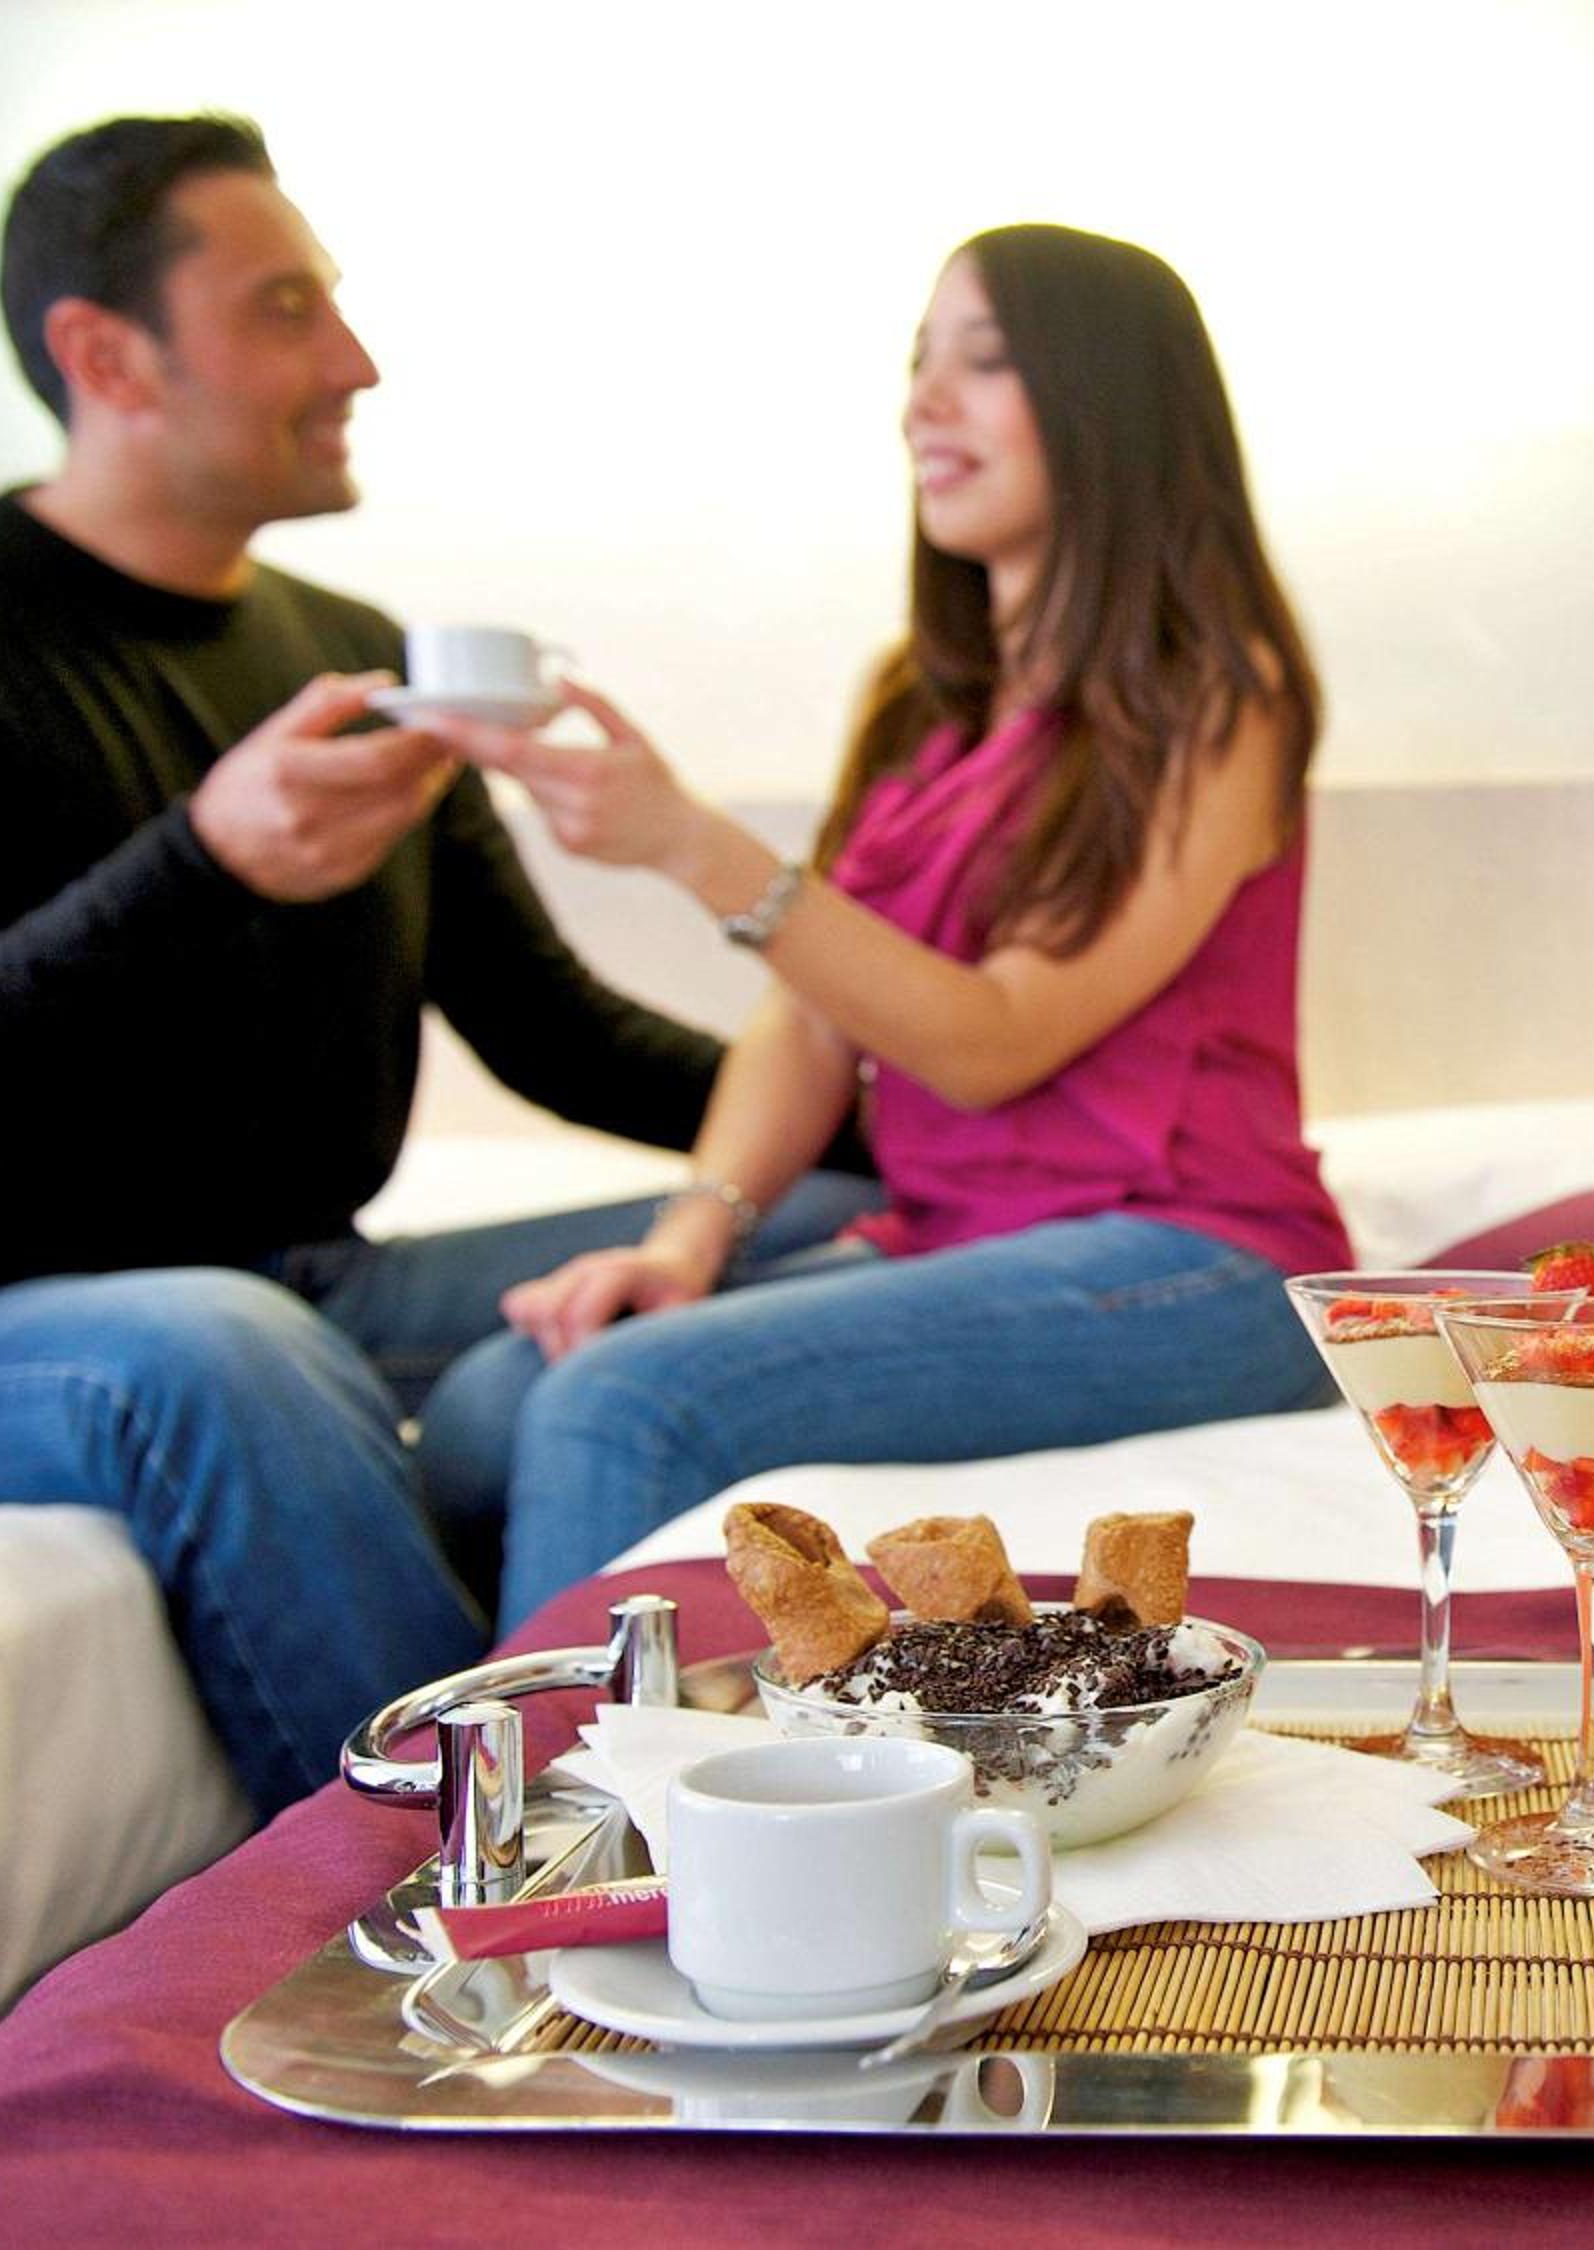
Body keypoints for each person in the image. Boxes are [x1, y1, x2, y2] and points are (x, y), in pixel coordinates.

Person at [0, 114, 872, 1816]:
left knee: (822, 1214)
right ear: (104, 354)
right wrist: (200, 863)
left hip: (319, 1283)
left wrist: (919, 1124)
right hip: (61, 1319)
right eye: (286, 310)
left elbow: (556, 1030)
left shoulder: (352, 658)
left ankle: (523, 1522)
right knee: (223, 1349)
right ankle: (494, 1864)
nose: (357, 361)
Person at [424, 223, 1350, 1631]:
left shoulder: (1220, 700)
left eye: (985, 362)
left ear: (1108, 400)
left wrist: (693, 846)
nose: (924, 402)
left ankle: (571, 1776)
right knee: (488, 1406)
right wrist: (687, 1242)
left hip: (1189, 1258)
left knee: (622, 1403)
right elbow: (810, 1017)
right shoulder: (919, 701)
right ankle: (452, 1740)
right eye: (920, 364)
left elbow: (993, 1042)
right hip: (950, 1230)